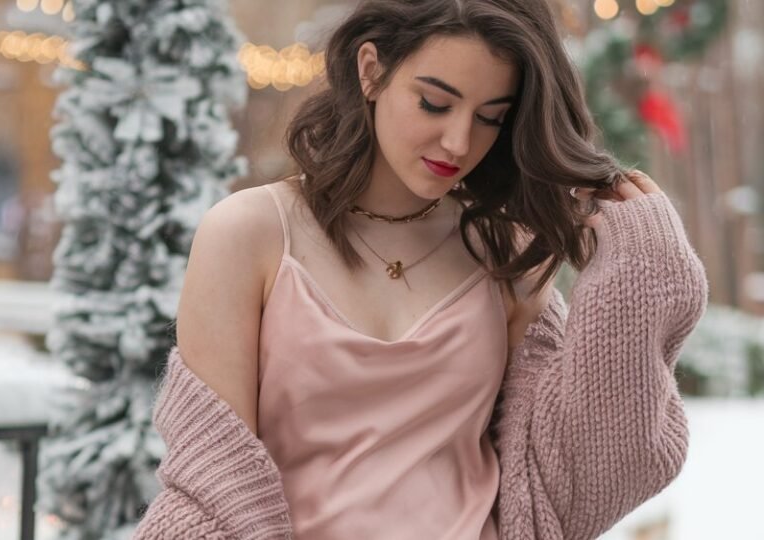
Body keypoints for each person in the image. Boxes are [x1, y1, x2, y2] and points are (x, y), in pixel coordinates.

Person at [133, 0, 708, 538]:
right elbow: (212, 491)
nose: (458, 141)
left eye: (490, 118)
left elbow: (580, 481)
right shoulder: (247, 233)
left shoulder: (503, 249)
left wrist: (641, 266)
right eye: (435, 102)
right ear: (371, 71)